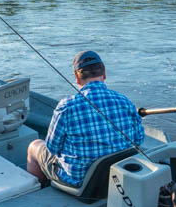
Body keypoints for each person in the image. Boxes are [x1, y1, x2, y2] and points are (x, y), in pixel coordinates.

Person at [26, 50, 144, 187]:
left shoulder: (66, 107)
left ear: (77, 77)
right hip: (118, 177)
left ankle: (39, 191)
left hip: (79, 182)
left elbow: (52, 148)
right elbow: (138, 139)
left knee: (34, 146)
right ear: (104, 73)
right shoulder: (124, 101)